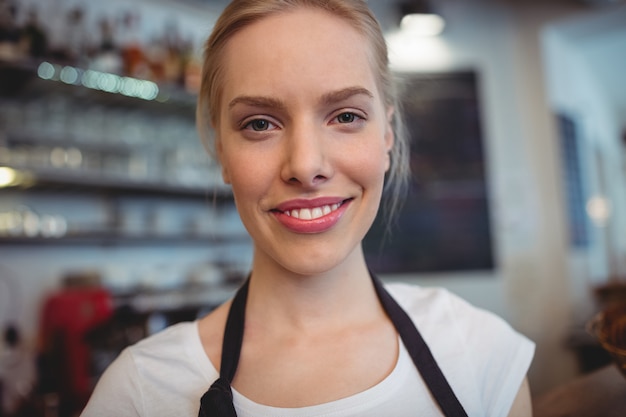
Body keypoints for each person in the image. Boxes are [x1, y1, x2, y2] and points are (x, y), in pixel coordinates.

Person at [81, 1, 535, 416]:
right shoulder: (140, 391)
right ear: (222, 150)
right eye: (260, 123)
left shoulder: (483, 355)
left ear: (387, 137)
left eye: (345, 116)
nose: (305, 165)